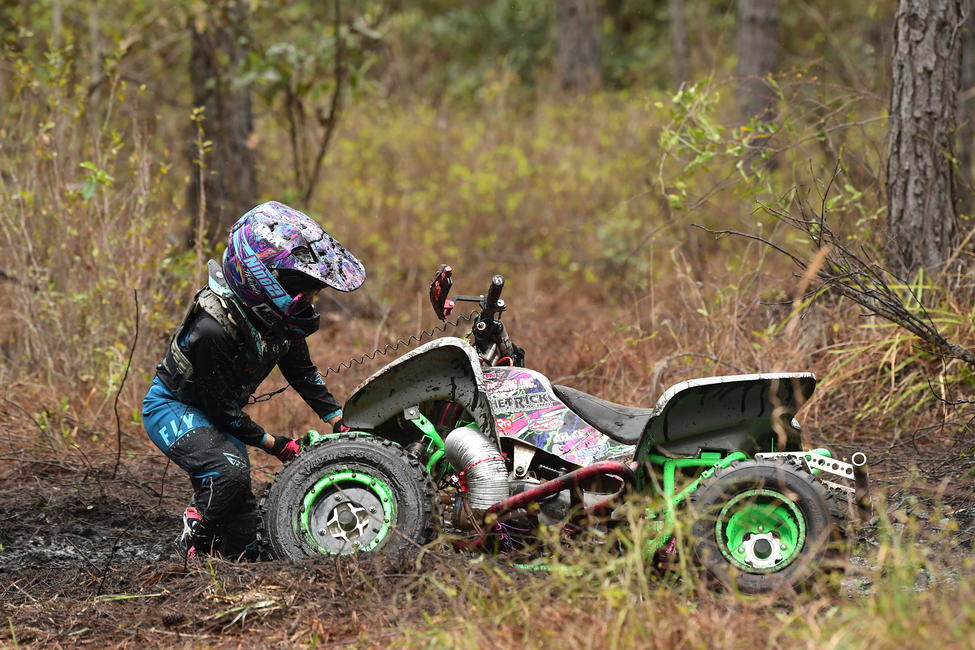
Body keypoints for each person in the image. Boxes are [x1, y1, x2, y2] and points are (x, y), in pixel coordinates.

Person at [142, 201, 366, 560]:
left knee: (245, 537)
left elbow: (302, 371)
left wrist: (338, 419)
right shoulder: (211, 329)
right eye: (304, 290)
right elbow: (220, 408)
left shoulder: (278, 320)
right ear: (264, 280)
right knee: (226, 475)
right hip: (174, 406)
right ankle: (192, 544)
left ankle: (227, 556)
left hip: (218, 411)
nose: (309, 300)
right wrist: (277, 444)